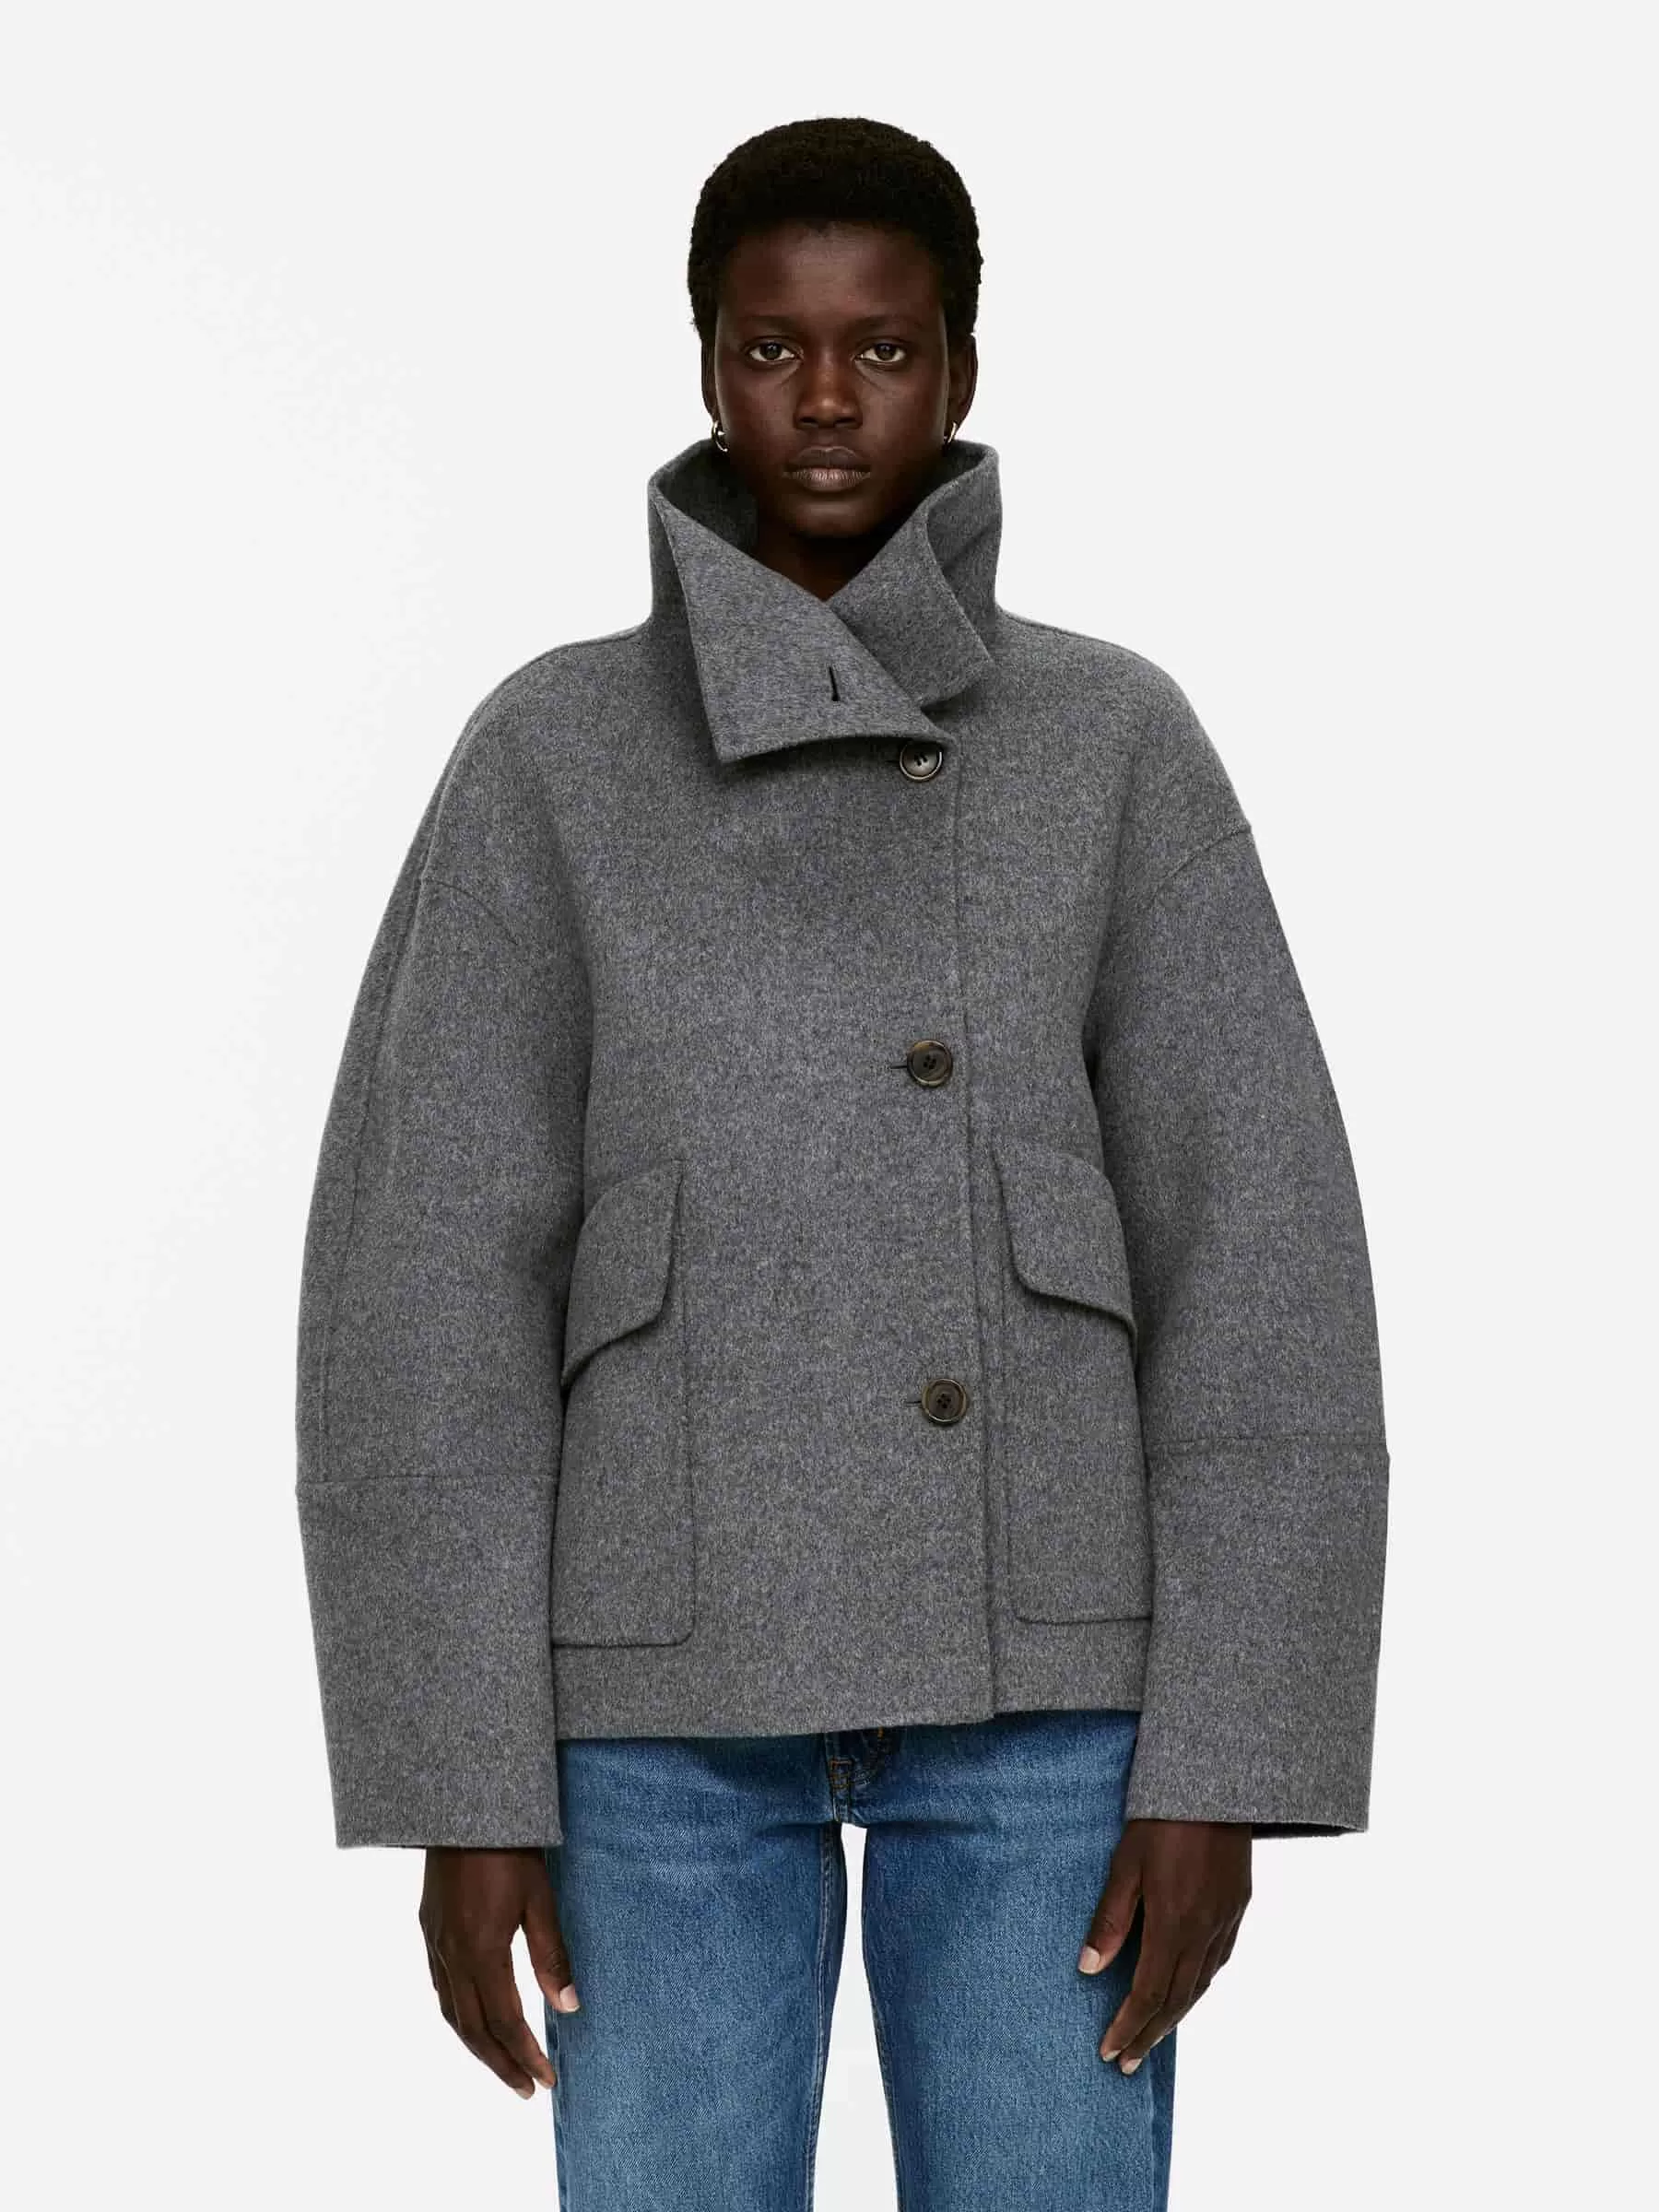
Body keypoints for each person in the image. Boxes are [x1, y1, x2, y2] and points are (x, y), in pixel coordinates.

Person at [294, 115, 1390, 2209]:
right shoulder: (551, 753)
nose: (823, 399)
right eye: (770, 347)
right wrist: (457, 1776)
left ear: (959, 368)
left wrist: (1234, 1754)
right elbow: (425, 1281)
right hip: (652, 1692)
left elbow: (1262, 1252)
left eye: (880, 349)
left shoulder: (1113, 742)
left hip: (1051, 1684)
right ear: (706, 368)